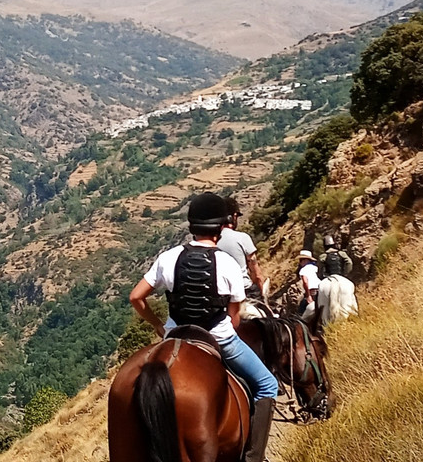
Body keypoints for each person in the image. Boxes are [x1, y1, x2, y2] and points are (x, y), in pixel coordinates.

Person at [128, 192, 278, 462]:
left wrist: (159, 327)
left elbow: (136, 297)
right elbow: (234, 316)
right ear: (222, 228)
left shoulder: (168, 258)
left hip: (174, 335)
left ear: (191, 226)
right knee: (267, 384)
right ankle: (254, 458)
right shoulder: (228, 264)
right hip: (219, 338)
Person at [217, 197, 268, 299]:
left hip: (218, 292)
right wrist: (262, 294)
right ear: (234, 216)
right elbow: (256, 273)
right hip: (243, 290)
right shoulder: (242, 238)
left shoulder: (210, 240)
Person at [297, 249, 320, 316]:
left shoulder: (303, 270)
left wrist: (308, 296)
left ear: (305, 260)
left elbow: (305, 282)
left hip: (312, 291)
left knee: (302, 312)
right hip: (320, 290)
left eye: (301, 260)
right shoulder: (316, 267)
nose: (300, 262)